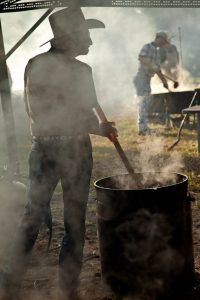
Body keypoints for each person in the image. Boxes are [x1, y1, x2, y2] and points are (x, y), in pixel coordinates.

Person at [0, 6, 117, 300]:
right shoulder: (72, 70)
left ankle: (20, 286)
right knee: (66, 219)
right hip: (68, 147)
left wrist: (96, 123)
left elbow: (79, 108)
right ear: (68, 37)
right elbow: (48, 113)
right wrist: (99, 128)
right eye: (85, 35)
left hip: (45, 148)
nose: (89, 41)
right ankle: (62, 290)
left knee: (38, 216)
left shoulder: (41, 64)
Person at [133, 31, 170, 135]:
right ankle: (143, 129)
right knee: (143, 103)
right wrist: (152, 65)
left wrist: (164, 81)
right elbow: (141, 57)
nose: (164, 43)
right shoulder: (147, 46)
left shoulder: (156, 51)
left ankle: (143, 127)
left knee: (145, 103)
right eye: (164, 41)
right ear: (159, 38)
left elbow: (157, 70)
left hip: (146, 79)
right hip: (141, 78)